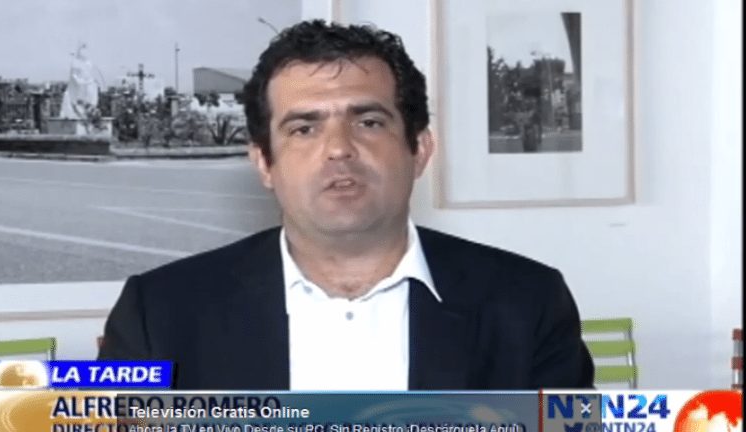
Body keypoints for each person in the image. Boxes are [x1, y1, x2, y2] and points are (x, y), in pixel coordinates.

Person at [98, 20, 594, 390]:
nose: (338, 148)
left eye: (369, 122)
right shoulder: (157, 313)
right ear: (264, 163)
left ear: (420, 150)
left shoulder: (527, 302)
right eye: (304, 128)